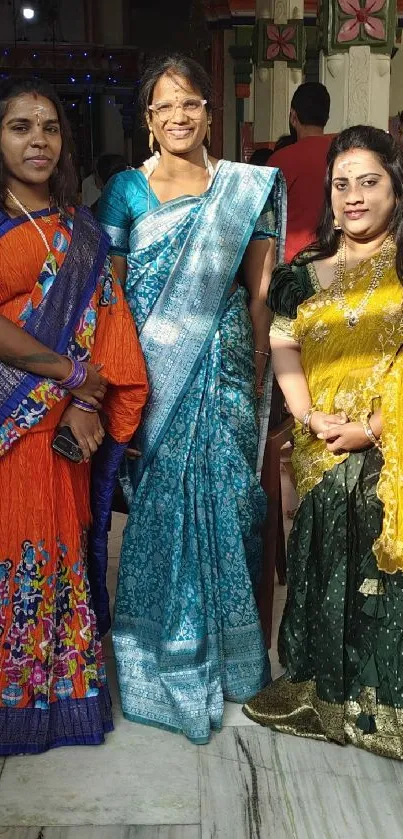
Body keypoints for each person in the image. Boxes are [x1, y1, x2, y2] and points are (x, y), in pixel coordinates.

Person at [98, 52, 286, 744]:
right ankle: (161, 655)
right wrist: (118, 379)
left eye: (190, 103)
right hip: (152, 371)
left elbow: (259, 293)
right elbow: (111, 295)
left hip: (228, 365)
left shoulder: (244, 188)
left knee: (233, 500)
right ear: (148, 121)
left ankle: (234, 659)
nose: (178, 116)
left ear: (210, 112)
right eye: (163, 106)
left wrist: (263, 371)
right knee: (161, 506)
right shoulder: (125, 189)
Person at [243, 125, 403, 761]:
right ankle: (323, 691)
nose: (354, 197)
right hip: (317, 442)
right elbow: (284, 343)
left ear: (395, 189)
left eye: (370, 182)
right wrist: (308, 416)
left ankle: (380, 704)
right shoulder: (302, 273)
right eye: (342, 185)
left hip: (388, 442)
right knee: (322, 561)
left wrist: (370, 429)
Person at [0, 77, 148, 754]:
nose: (37, 139)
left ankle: (52, 698)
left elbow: (109, 320)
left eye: (50, 127)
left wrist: (86, 401)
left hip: (61, 429)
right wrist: (71, 376)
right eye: (20, 126)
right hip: (10, 419)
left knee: (53, 552)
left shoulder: (81, 230)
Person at [269, 82, 333, 262]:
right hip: (334, 258)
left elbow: (265, 219)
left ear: (293, 116)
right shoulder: (341, 154)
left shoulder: (281, 159)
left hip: (292, 264)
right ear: (326, 117)